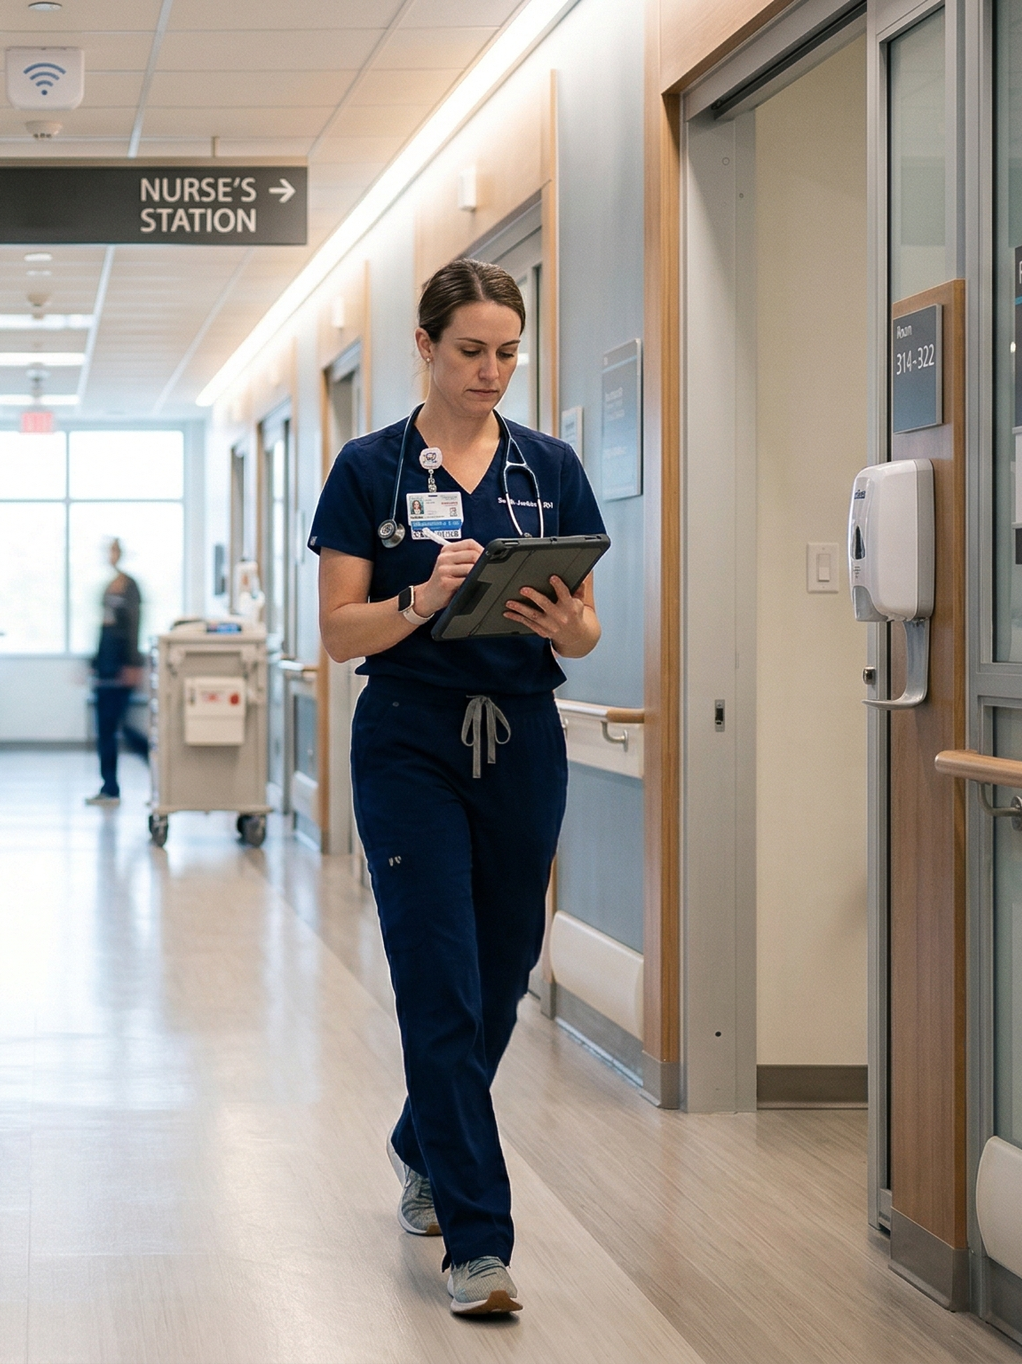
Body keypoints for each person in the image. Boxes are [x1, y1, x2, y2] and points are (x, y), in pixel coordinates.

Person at [310, 258, 604, 1318]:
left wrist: (571, 628)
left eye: (507, 352)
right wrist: (419, 599)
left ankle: (418, 1134)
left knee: (503, 966)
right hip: (410, 738)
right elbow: (339, 633)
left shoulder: (548, 466)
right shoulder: (368, 468)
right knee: (436, 977)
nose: (491, 371)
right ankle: (477, 1242)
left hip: (520, 734)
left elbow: (585, 617)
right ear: (426, 347)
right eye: (471, 350)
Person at [85, 537, 150, 806]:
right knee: (108, 728)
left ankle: (156, 766)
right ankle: (109, 786)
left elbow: (133, 626)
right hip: (106, 667)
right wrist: (92, 664)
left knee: (119, 727)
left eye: (114, 550)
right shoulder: (109, 587)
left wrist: (133, 665)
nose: (110, 555)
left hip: (122, 668)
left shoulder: (129, 586)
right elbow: (104, 630)